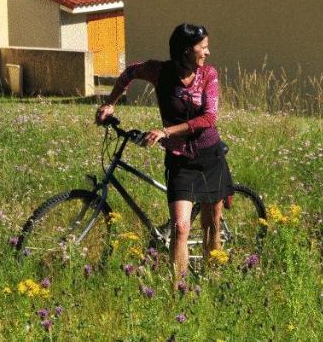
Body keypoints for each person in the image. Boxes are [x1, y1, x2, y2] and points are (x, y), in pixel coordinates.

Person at [95, 23, 231, 284]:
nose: (208, 52)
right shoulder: (159, 71)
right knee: (180, 227)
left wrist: (166, 132)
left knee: (211, 225)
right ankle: (178, 290)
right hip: (180, 160)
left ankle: (212, 281)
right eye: (203, 47)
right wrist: (110, 103)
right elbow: (130, 72)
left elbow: (210, 118)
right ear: (185, 51)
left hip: (209, 156)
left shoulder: (209, 75)